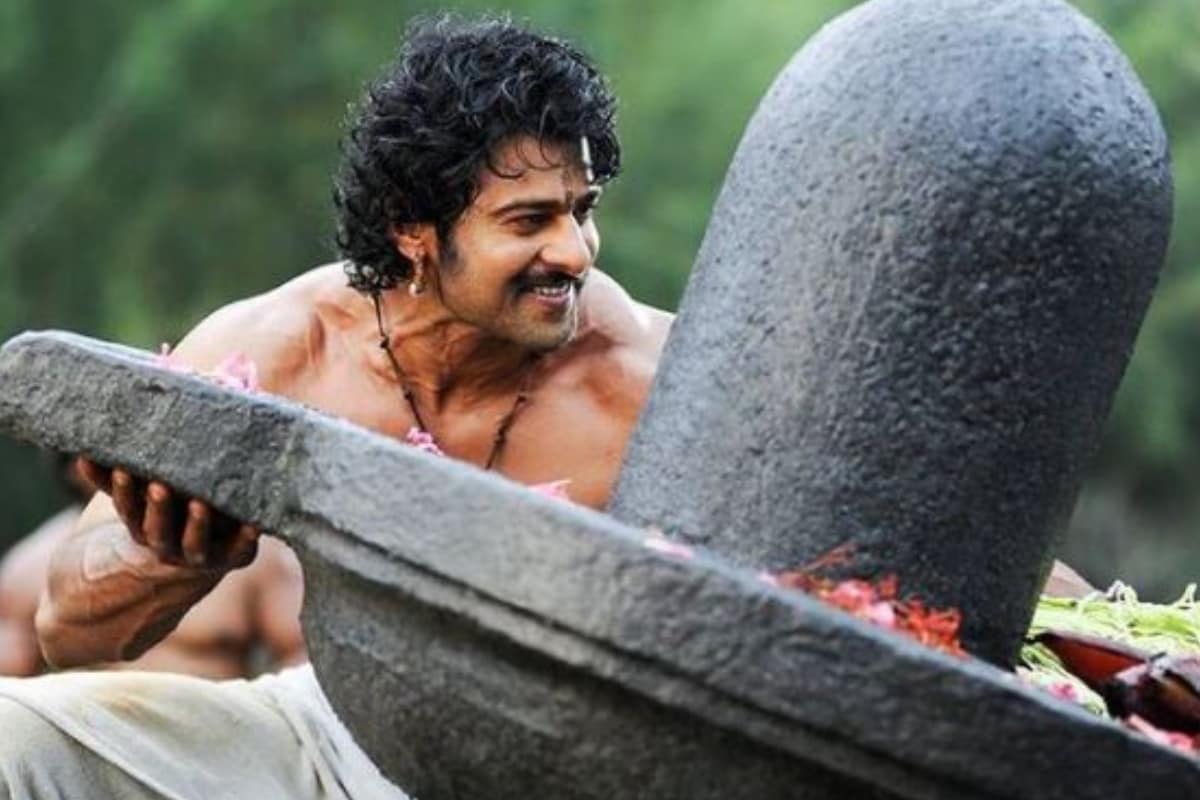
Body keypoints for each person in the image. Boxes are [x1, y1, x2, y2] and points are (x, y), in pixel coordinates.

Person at [0, 14, 668, 800]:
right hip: (331, 726)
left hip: (554, 762)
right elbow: (68, 628)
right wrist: (169, 557)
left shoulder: (645, 379)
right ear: (412, 227)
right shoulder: (283, 348)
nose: (575, 252)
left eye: (582, 210)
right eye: (529, 221)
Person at [0, 455, 304, 679]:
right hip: (86, 738)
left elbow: (302, 662)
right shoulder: (29, 567)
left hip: (211, 739)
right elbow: (9, 685)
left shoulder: (245, 552)